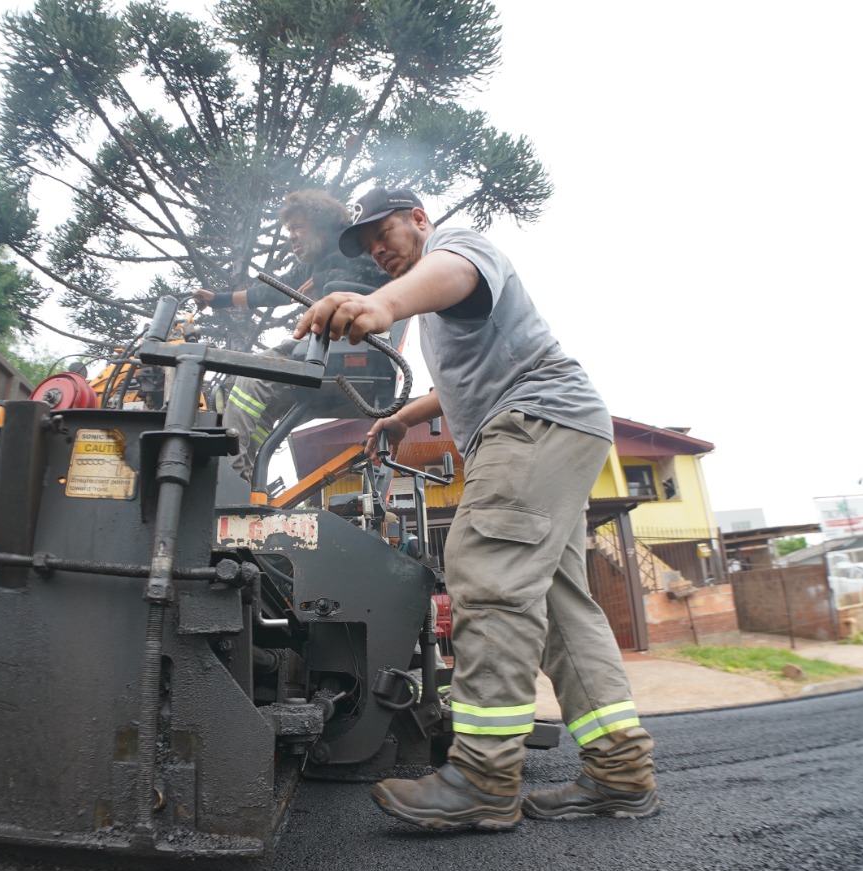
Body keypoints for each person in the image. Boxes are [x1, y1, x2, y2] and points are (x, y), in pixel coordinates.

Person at [294, 186, 658, 831]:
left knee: (485, 570)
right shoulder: (434, 311)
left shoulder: (458, 251)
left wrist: (378, 305)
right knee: (557, 602)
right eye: (366, 244)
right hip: (559, 425)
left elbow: (453, 271)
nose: (378, 249)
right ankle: (620, 772)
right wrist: (403, 415)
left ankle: (485, 777)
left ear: (418, 219)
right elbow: (463, 381)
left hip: (534, 423)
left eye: (385, 232)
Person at [193, 189, 387, 483]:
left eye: (298, 227)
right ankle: (246, 475)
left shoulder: (351, 242)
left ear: (321, 224)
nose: (291, 236)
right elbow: (274, 291)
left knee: (250, 375)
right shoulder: (312, 261)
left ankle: (229, 477)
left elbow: (379, 280)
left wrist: (326, 283)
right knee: (256, 397)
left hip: (346, 344)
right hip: (318, 347)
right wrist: (219, 300)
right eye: (288, 230)